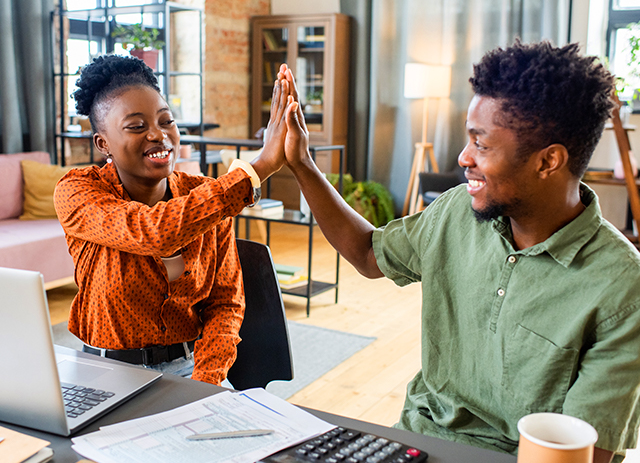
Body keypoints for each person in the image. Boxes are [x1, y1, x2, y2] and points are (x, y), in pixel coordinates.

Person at [278, 41, 640, 463]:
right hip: (414, 443)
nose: (463, 156)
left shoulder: (622, 288)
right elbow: (367, 254)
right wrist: (302, 163)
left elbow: (585, 454)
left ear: (549, 161)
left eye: (481, 144)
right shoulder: (455, 211)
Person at [54, 54, 292, 385]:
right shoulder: (78, 192)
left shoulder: (208, 197)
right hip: (104, 373)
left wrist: (204, 384)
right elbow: (155, 232)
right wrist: (260, 166)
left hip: (190, 370)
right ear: (102, 142)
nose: (158, 135)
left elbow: (226, 303)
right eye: (137, 126)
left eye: (167, 121)